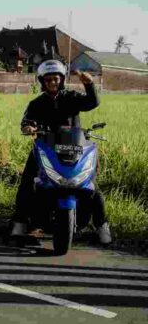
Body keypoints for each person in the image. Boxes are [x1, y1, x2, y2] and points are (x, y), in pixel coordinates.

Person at [10, 60, 111, 244]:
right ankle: (20, 225)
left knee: (91, 186)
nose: (52, 83)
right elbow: (27, 121)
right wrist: (28, 127)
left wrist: (89, 84)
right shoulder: (37, 103)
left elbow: (92, 102)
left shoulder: (71, 97)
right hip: (46, 148)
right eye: (48, 80)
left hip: (73, 149)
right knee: (28, 183)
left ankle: (102, 227)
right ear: (42, 81)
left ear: (62, 79)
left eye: (55, 79)